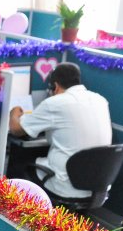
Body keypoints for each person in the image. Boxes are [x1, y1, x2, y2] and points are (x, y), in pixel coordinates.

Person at [9, 62, 112, 199]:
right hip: (98, 184)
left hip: (66, 184)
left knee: (17, 163)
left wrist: (14, 112)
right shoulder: (100, 100)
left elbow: (16, 129)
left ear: (55, 86)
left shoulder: (54, 103)